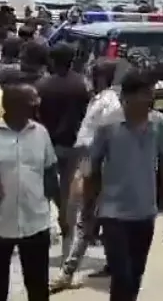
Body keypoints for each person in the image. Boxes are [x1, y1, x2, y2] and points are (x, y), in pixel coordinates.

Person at [83, 68, 163, 301]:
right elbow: (91, 168)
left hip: (145, 212)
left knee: (135, 274)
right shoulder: (108, 125)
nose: (149, 99)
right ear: (128, 96)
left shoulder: (159, 124)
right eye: (145, 94)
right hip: (113, 213)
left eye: (150, 94)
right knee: (121, 274)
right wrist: (88, 210)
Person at [0, 74, 57, 301]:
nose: (38, 104)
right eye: (32, 100)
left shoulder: (41, 133)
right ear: (14, 105)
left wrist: (61, 212)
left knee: (38, 288)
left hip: (35, 223)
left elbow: (48, 174)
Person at [49, 58, 121, 293]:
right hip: (94, 165)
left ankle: (67, 273)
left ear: (99, 77)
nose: (87, 80)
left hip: (96, 167)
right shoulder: (102, 99)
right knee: (99, 220)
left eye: (90, 75)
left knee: (84, 221)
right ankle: (112, 264)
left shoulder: (108, 103)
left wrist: (85, 170)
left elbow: (99, 139)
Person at [36, 42, 91, 255]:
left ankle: (55, 221)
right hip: (74, 144)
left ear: (52, 59)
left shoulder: (42, 85)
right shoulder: (82, 84)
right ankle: (66, 225)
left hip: (48, 143)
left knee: (47, 188)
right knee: (69, 189)